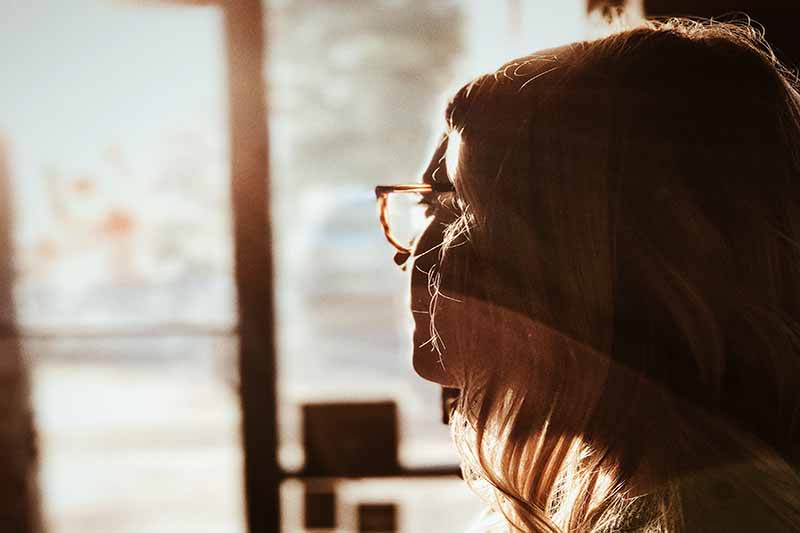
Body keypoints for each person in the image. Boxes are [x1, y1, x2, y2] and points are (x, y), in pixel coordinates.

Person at [376, 17, 800, 533]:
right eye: (425, 209)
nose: (413, 257)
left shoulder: (718, 516)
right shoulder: (600, 492)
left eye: (458, 207)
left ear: (588, 249)